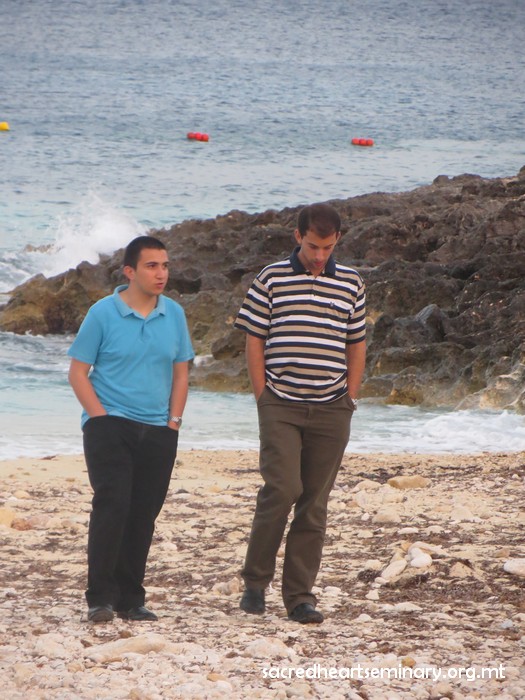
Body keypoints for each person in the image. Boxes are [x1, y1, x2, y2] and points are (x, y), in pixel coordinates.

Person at [234, 203, 366, 624]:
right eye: (312, 246)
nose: (319, 255)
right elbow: (254, 338)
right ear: (298, 237)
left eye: (327, 247)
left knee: (314, 503)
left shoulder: (352, 282)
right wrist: (262, 395)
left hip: (333, 407)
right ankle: (255, 583)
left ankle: (299, 598)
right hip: (280, 403)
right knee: (282, 489)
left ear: (337, 240)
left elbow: (356, 343)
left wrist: (350, 397)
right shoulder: (271, 278)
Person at [68, 235, 194, 623]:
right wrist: (100, 419)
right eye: (152, 266)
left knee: (143, 513)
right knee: (113, 505)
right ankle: (100, 598)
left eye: (165, 265)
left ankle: (131, 598)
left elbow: (181, 373)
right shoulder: (103, 313)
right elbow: (78, 372)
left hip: (158, 429)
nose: (161, 273)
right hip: (110, 425)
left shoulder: (174, 314)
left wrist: (173, 423)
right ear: (130, 271)